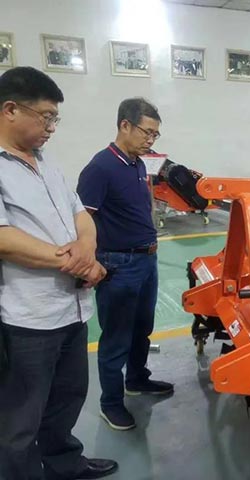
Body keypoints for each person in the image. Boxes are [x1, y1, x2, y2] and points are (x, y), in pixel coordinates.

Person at [0, 67, 117, 479]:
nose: (52, 127)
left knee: (67, 398)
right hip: (28, 318)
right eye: (46, 117)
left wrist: (87, 247)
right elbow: (5, 239)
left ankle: (64, 463)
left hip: (72, 309)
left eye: (55, 119)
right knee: (20, 417)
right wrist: (79, 262)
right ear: (10, 109)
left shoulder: (46, 163)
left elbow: (80, 212)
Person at [77, 98, 173, 432]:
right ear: (124, 125)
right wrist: (91, 261)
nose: (151, 140)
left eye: (155, 134)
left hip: (146, 260)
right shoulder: (100, 168)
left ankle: (136, 379)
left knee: (141, 328)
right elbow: (82, 220)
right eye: (147, 132)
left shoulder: (137, 165)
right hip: (118, 264)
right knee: (116, 337)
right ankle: (111, 403)